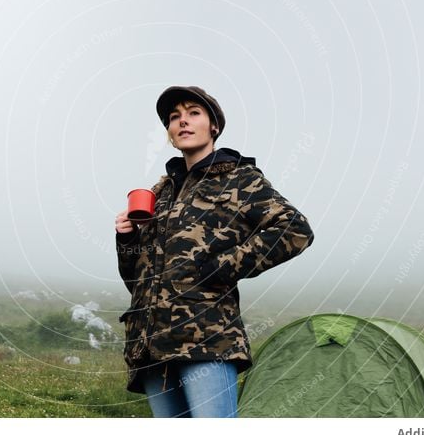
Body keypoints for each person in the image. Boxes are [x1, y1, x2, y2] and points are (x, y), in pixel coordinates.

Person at [114, 85, 314, 417]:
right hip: (150, 346)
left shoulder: (238, 178)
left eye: (194, 113)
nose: (182, 121)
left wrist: (221, 268)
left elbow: (295, 229)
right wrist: (128, 240)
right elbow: (137, 281)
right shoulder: (160, 192)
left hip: (206, 339)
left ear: (214, 126)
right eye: (174, 117)